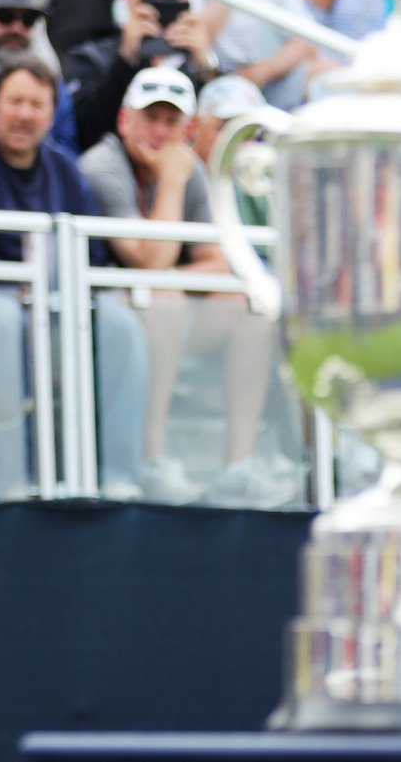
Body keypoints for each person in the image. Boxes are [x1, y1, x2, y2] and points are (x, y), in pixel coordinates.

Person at [79, 67, 298, 508]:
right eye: (150, 118)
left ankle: (238, 468)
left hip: (156, 311)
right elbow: (150, 259)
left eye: (171, 121)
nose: (160, 131)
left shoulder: (187, 166)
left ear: (187, 127)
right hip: (97, 320)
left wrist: (171, 281)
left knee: (248, 306)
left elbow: (225, 260)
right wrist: (174, 181)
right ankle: (153, 458)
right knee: (164, 300)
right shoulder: (102, 165)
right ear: (124, 120)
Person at [0, 58, 148, 501]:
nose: (24, 114)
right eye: (15, 101)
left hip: (59, 308)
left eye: (36, 104)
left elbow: (93, 255)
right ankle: (8, 481)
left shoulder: (66, 171)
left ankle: (119, 476)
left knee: (120, 326)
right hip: (5, 307)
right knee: (1, 321)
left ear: (50, 113)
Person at [60, 0, 220, 153]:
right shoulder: (92, 57)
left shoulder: (196, 61)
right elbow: (86, 132)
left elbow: (219, 137)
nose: (158, 5)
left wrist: (207, 68)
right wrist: (126, 59)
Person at [175, 0, 317, 111]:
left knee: (323, 71)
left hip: (264, 81)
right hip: (208, 75)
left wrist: (260, 72)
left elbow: (308, 41)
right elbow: (193, 36)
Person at [0, 0, 78, 155]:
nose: (17, 29)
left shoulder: (51, 81)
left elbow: (67, 146)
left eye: (28, 20)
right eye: (6, 17)